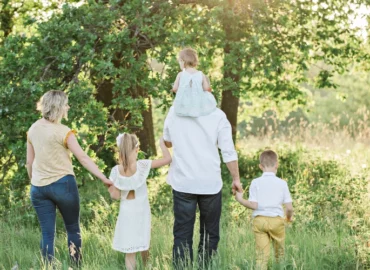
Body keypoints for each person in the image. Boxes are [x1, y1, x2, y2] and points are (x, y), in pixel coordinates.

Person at [26, 90, 113, 265]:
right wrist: (103, 178)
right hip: (63, 185)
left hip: (39, 188)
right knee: (73, 228)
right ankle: (75, 266)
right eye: (66, 104)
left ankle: (48, 267)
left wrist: (34, 183)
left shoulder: (33, 129)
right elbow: (83, 158)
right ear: (58, 107)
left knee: (47, 233)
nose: (68, 107)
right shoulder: (63, 132)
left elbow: (29, 162)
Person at [163, 103, 242, 267]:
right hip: (209, 183)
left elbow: (168, 142)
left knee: (182, 233)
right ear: (208, 91)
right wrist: (236, 178)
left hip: (183, 181)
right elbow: (228, 150)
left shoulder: (174, 111)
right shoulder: (218, 115)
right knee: (209, 233)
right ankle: (205, 267)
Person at [107, 133, 172, 270]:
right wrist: (162, 144)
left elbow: (116, 196)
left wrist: (110, 188)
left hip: (126, 213)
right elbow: (167, 159)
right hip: (141, 211)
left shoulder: (115, 171)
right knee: (144, 242)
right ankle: (147, 266)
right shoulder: (142, 166)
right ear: (137, 149)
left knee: (130, 252)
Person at [235, 150, 294, 270]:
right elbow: (289, 208)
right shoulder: (282, 184)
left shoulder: (255, 182)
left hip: (260, 221)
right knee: (280, 254)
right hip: (277, 221)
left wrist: (240, 199)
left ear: (260, 166)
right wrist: (288, 218)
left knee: (261, 257)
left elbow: (253, 205)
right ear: (277, 164)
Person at [172, 47, 217, 117]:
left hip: (184, 103)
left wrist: (182, 92)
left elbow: (174, 88)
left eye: (179, 61)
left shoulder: (180, 74)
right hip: (197, 103)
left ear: (182, 61)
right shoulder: (201, 74)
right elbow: (206, 88)